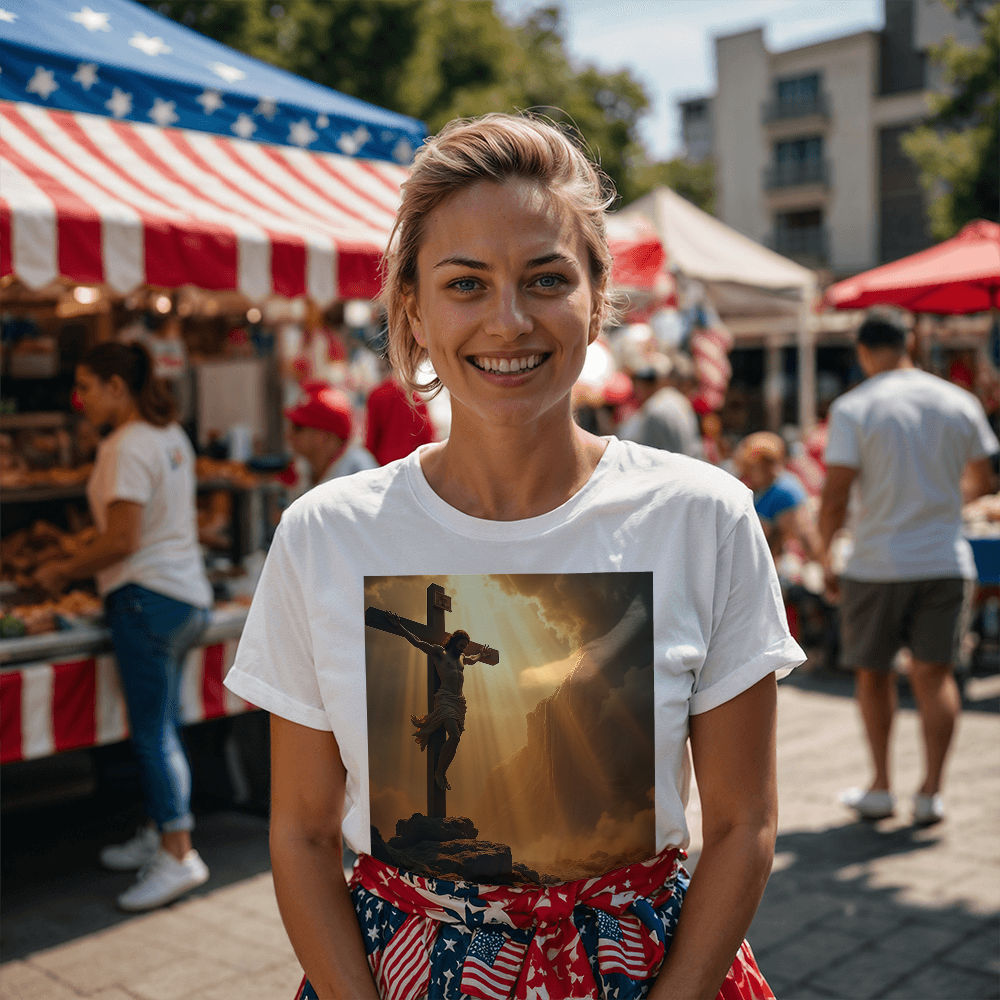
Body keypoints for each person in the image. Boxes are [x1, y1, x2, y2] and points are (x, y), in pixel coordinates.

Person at [224, 113, 803, 1000]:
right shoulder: (323, 535)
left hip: (651, 972)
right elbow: (301, 832)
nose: (508, 320)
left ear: (597, 298)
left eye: (545, 279)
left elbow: (741, 822)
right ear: (412, 306)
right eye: (465, 283)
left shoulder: (705, 517)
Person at [34, 342, 213, 911]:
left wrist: (63, 568)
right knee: (165, 725)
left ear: (117, 386)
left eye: (87, 385)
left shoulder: (124, 445)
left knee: (152, 732)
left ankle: (178, 853)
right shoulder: (170, 436)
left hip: (146, 600)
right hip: (185, 598)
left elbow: (122, 540)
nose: (80, 398)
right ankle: (160, 831)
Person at [819, 312, 999, 825]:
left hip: (876, 562)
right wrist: (939, 502)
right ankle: (930, 792)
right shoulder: (957, 400)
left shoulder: (855, 408)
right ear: (912, 342)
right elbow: (982, 480)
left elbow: (834, 496)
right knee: (936, 675)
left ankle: (880, 786)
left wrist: (824, 553)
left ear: (862, 350)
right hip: (945, 557)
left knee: (873, 676)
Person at [385, 613, 493, 790]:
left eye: (465, 646)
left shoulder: (461, 658)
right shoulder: (440, 652)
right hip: (445, 700)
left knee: (455, 740)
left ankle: (443, 772)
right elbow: (417, 642)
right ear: (453, 642)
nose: (463, 649)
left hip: (459, 703)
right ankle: (439, 773)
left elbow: (472, 660)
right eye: (461, 645)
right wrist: (399, 626)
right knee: (455, 736)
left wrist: (480, 655)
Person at [736, 431, 823, 565]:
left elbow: (806, 536)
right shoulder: (751, 488)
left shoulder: (785, 489)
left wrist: (823, 567)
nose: (745, 473)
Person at [618, 348, 705, 459]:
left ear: (664, 379)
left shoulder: (657, 409)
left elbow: (650, 459)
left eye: (651, 380)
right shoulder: (676, 399)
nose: (643, 385)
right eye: (640, 379)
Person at [285, 383, 377, 488]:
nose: (289, 434)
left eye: (298, 427)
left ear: (323, 436)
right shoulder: (307, 468)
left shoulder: (361, 472)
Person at [365, 368, 436, 466]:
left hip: (384, 464)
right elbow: (428, 435)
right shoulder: (414, 396)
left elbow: (371, 437)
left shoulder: (376, 394)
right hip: (411, 463)